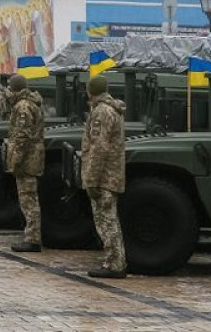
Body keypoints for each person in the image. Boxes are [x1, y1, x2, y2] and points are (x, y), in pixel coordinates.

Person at [81, 75, 126, 278]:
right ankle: (114, 262)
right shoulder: (110, 109)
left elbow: (99, 148)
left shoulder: (101, 112)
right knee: (108, 220)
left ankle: (115, 264)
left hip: (104, 177)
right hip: (110, 175)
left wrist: (91, 179)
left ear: (91, 91)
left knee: (106, 221)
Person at [5, 74, 44, 252]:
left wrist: (16, 160)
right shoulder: (27, 104)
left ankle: (33, 239)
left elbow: (22, 136)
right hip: (31, 158)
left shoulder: (23, 106)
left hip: (27, 160)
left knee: (29, 200)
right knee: (28, 199)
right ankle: (31, 236)